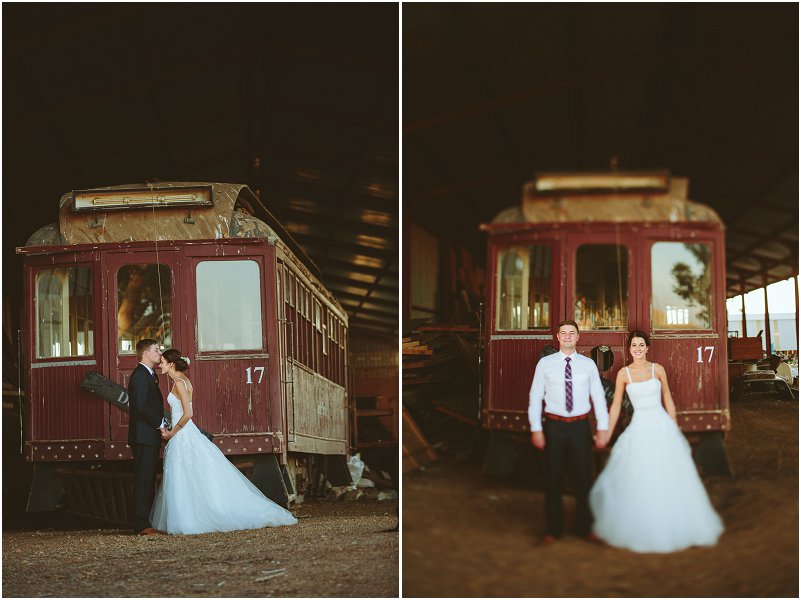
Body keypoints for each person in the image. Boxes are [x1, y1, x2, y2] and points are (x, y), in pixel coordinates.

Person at [589, 330, 724, 553]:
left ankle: (675, 523)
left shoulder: (657, 369)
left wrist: (674, 427)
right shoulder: (624, 374)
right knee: (639, 474)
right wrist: (606, 433)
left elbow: (668, 399)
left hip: (661, 423)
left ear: (647, 347)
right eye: (634, 345)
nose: (638, 348)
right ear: (629, 349)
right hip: (639, 425)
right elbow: (615, 407)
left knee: (668, 473)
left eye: (641, 345)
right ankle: (642, 525)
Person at [150, 349, 297, 534]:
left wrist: (172, 432)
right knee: (189, 476)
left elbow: (188, 414)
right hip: (185, 433)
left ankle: (191, 519)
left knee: (184, 475)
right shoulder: (182, 381)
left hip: (183, 435)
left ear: (171, 364)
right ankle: (191, 515)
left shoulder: (179, 382)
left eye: (162, 362)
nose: (160, 365)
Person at [528, 319, 610, 545]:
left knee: (583, 477)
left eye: (571, 333)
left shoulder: (588, 365)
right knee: (553, 478)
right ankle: (553, 530)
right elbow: (535, 396)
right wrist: (536, 429)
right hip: (553, 426)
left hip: (579, 426)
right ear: (557, 336)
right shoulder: (545, 364)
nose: (567, 336)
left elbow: (598, 397)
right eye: (563, 333)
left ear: (578, 337)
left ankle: (585, 528)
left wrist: (602, 429)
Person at [128, 338, 167, 536]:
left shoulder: (148, 375)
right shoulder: (140, 376)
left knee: (148, 478)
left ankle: (145, 521)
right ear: (146, 354)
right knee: (144, 479)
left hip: (147, 435)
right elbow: (141, 406)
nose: (160, 353)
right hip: (143, 436)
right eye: (156, 350)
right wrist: (160, 424)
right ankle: (141, 524)